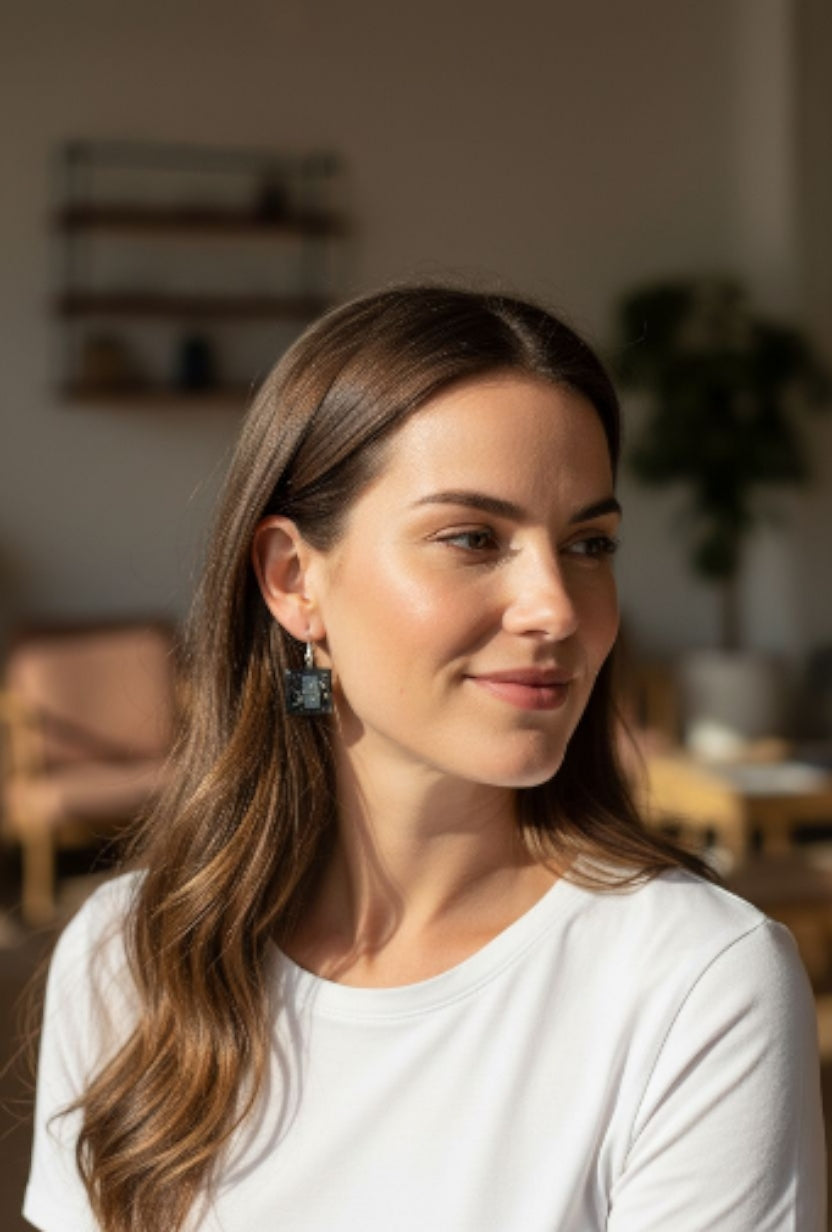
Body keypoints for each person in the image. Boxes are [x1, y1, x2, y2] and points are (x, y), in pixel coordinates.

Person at [25, 285, 825, 1232]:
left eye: (588, 543)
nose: (556, 608)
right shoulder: (132, 959)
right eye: (473, 538)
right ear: (293, 580)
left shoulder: (696, 985)